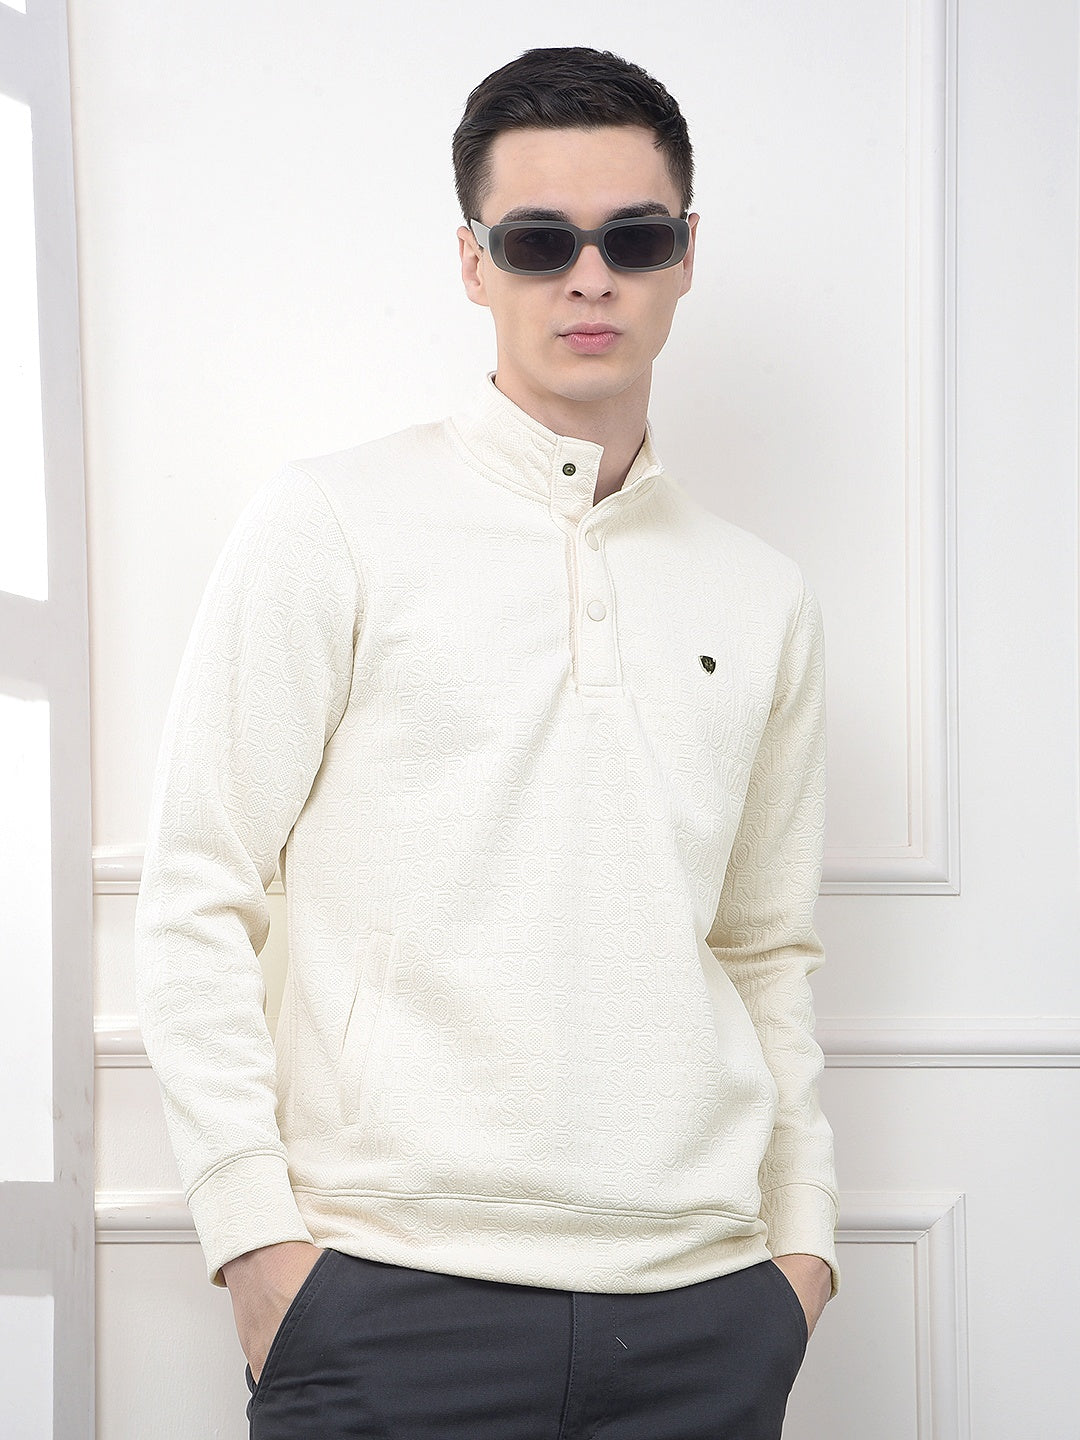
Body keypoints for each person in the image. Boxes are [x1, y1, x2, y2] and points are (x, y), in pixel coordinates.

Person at [134, 44, 840, 1440]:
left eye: (633, 237)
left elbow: (764, 948)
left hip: (704, 1307)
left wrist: (801, 1246)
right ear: (473, 263)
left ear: (685, 254)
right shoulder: (329, 524)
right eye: (538, 241)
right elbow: (199, 887)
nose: (590, 277)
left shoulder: (762, 595)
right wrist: (255, 1243)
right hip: (387, 1298)